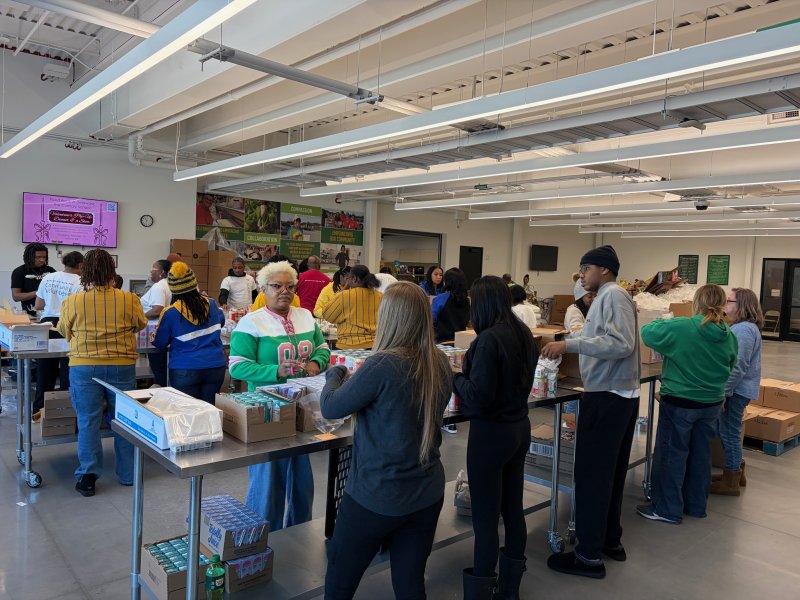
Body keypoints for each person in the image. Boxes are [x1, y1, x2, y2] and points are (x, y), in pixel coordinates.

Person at [320, 282, 451, 599]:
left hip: (377, 495)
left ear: (389, 318)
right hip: (427, 492)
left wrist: (334, 375)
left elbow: (331, 407)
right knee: (410, 584)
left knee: (340, 580)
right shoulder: (440, 363)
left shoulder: (382, 365)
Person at [541, 245, 640, 579]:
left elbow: (621, 344)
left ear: (606, 270)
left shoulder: (612, 295)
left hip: (608, 396)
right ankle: (610, 541)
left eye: (586, 268)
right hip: (617, 394)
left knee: (592, 476)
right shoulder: (610, 297)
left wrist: (569, 344)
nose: (581, 275)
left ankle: (588, 556)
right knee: (609, 474)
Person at [453, 276, 537, 600]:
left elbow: (478, 396)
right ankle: (509, 590)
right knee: (513, 510)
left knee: (485, 522)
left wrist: (455, 378)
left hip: (491, 435)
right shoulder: (523, 334)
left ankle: (481, 591)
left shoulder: (488, 340)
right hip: (519, 428)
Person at [229, 261, 330, 529]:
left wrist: (316, 363)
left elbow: (323, 348)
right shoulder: (252, 323)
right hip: (267, 411)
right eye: (276, 286)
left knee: (301, 480)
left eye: (290, 286)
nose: (284, 291)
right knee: (268, 480)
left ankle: (299, 532)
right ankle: (265, 537)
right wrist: (276, 371)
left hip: (305, 407)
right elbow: (237, 366)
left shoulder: (305, 316)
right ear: (263, 288)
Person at [636, 285, 738, 523]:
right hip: (711, 403)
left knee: (672, 455)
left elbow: (647, 332)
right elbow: (731, 365)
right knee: (701, 456)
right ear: (722, 305)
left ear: (696, 302)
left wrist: (668, 321)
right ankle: (696, 505)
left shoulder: (683, 327)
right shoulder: (728, 334)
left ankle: (667, 509)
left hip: (680, 402)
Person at [58, 249, 147, 497]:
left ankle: (88, 476)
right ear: (112, 272)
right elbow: (140, 324)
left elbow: (64, 330)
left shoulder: (73, 300)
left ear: (84, 271)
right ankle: (128, 474)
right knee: (125, 421)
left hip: (84, 365)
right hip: (122, 365)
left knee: (88, 421)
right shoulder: (130, 298)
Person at [711, 288, 763, 496]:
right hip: (738, 389)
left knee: (729, 433)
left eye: (728, 301)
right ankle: (734, 473)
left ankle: (731, 480)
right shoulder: (744, 328)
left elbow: (737, 366)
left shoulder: (743, 331)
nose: (724, 306)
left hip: (736, 391)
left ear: (741, 305)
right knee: (728, 431)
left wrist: (723, 392)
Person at [153, 262, 227, 403]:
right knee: (209, 410)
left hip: (185, 369)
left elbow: (159, 342)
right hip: (215, 367)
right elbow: (221, 321)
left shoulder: (171, 312)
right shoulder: (210, 303)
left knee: (187, 413)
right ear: (194, 284)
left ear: (173, 289)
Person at [33, 251, 84, 412]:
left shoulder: (48, 277)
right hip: (67, 324)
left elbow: (38, 305)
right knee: (67, 369)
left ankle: (39, 409)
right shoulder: (81, 282)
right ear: (81, 265)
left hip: (46, 325)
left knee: (45, 369)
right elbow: (80, 309)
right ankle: (64, 410)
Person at [321, 265, 382, 350]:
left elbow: (327, 315)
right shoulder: (381, 296)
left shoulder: (345, 295)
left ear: (354, 279)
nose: (347, 281)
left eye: (348, 278)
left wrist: (343, 290)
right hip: (374, 345)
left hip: (348, 346)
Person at [140, 259, 172, 387]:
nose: (150, 273)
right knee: (160, 366)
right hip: (159, 330)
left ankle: (161, 390)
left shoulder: (159, 286)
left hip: (154, 331)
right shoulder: (166, 285)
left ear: (161, 272)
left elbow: (157, 310)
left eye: (153, 270)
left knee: (158, 367)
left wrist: (138, 315)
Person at [11, 243, 55, 314]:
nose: (42, 260)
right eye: (38, 257)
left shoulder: (51, 271)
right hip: (30, 314)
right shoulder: (19, 272)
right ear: (29, 257)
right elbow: (16, 296)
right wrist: (38, 292)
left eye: (44, 257)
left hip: (50, 313)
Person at [432, 268, 470, 344]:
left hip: (441, 342)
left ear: (447, 282)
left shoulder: (440, 299)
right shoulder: (467, 300)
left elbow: (431, 319)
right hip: (461, 342)